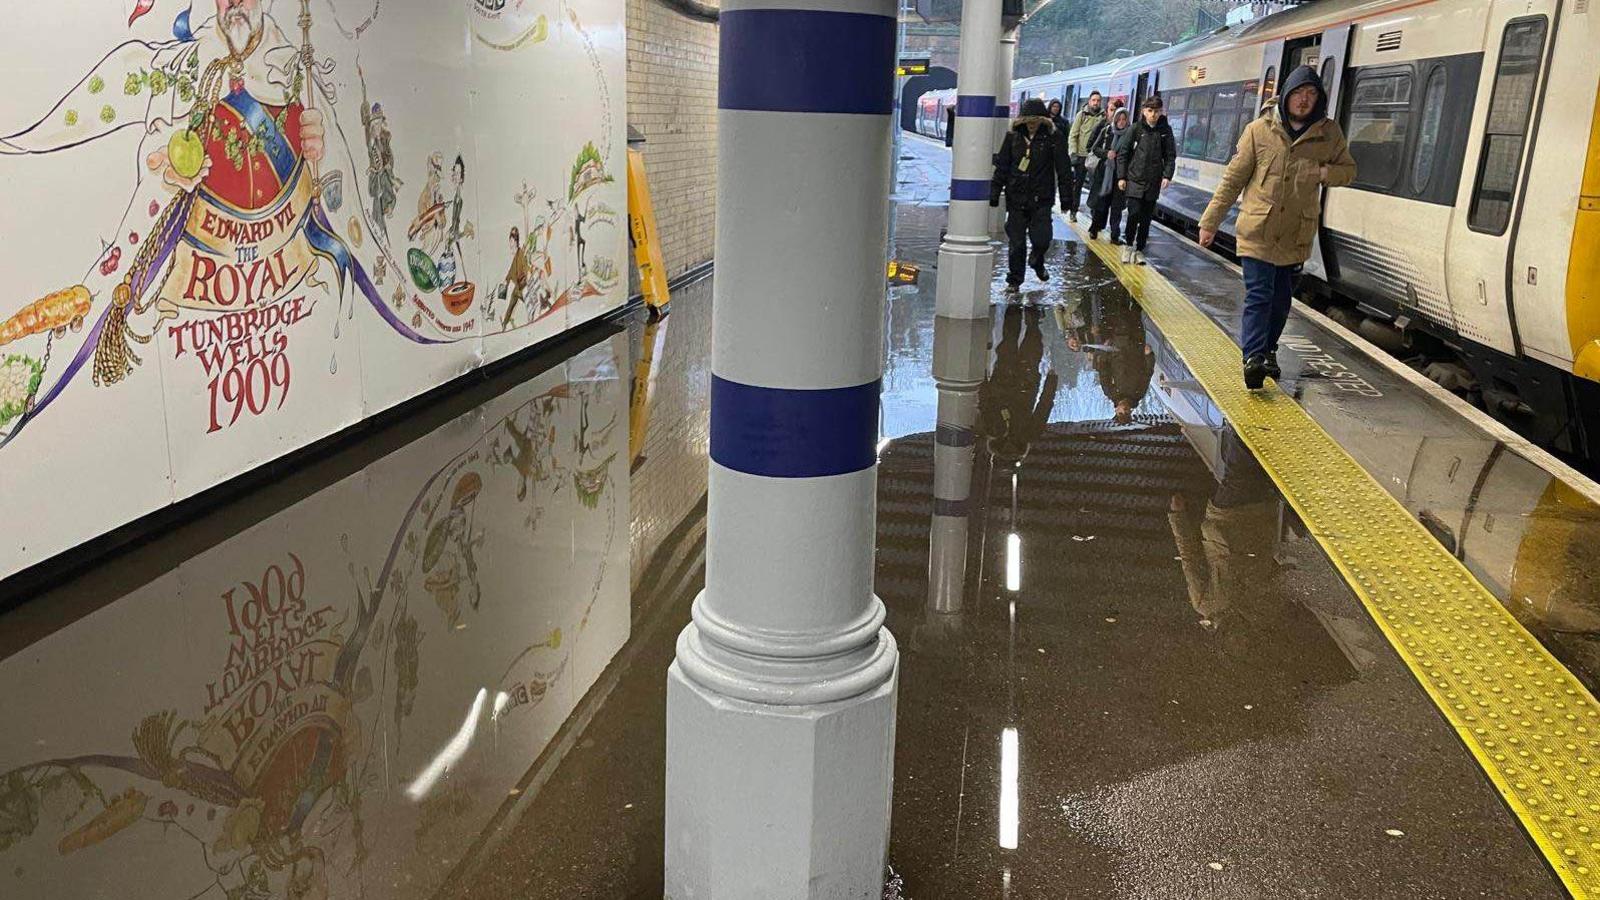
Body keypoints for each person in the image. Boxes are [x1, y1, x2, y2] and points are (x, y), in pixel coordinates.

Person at [1199, 65, 1356, 389]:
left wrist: (1325, 173)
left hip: (1296, 233)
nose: (1304, 100)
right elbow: (1233, 180)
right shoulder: (1259, 131)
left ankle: (1268, 350)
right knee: (1260, 294)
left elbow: (1349, 171)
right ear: (1285, 96)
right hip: (1258, 229)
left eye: (1311, 94)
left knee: (1282, 299)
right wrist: (1210, 223)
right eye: (1298, 93)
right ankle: (1253, 357)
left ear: (1319, 99)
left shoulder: (1329, 135)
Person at [989, 97, 1072, 294]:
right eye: (1029, 119)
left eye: (1037, 119)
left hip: (1041, 198)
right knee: (1016, 243)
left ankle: (1037, 260)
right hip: (1016, 198)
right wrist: (994, 192)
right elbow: (1002, 167)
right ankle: (1014, 280)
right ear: (1022, 120)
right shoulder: (1012, 138)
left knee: (1042, 239)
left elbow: (1064, 168)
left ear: (1043, 120)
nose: (1032, 123)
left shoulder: (1054, 138)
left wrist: (1067, 198)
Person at [1115, 97, 1177, 266]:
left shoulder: (1165, 132)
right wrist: (1122, 177)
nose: (1153, 115)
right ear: (1143, 111)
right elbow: (1123, 154)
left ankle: (1140, 249)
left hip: (1153, 182)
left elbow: (1170, 155)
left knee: (1146, 218)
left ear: (1161, 112)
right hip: (1135, 180)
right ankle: (1128, 245)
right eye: (1150, 111)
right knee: (1133, 213)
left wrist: (1167, 175)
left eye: (1157, 111)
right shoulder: (1135, 129)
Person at [1086, 105, 1131, 243]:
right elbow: (1095, 148)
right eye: (1119, 119)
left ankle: (1114, 235)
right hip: (1104, 173)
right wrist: (1106, 154)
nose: (1121, 122)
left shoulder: (1130, 134)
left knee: (1117, 207)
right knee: (1101, 204)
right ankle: (1094, 228)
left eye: (1124, 119)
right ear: (1115, 120)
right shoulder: (1107, 131)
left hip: (1120, 175)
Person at [1066, 91, 1105, 221]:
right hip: (1081, 156)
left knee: (1096, 187)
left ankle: (1095, 215)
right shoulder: (1081, 115)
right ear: (1089, 101)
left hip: (1096, 157)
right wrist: (1073, 153)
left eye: (1098, 100)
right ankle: (1073, 211)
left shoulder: (1103, 117)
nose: (1096, 103)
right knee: (1077, 186)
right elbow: (1073, 135)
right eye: (1094, 100)